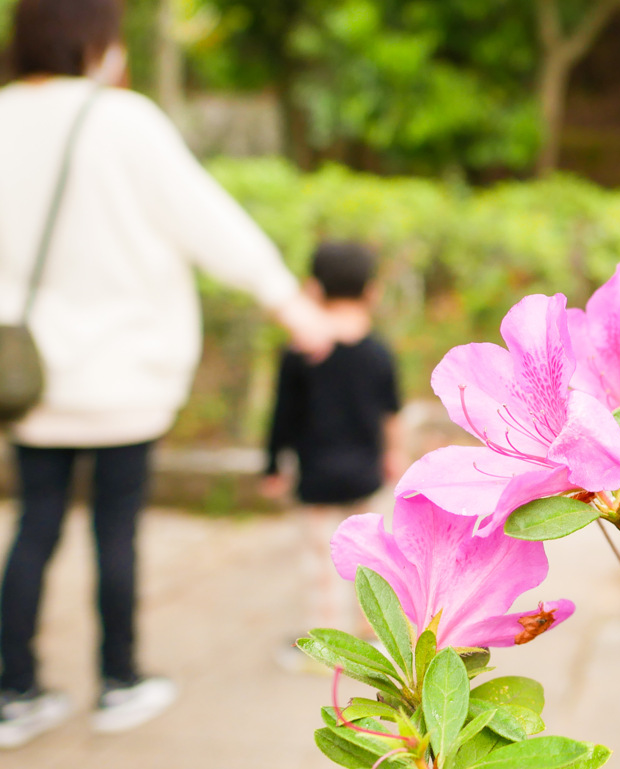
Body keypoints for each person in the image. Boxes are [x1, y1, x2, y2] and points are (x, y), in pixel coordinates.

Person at [0, 0, 334, 748]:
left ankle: (11, 687)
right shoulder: (122, 121)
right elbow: (208, 222)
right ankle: (119, 680)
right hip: (123, 377)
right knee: (115, 529)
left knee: (35, 526)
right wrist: (289, 305)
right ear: (99, 39)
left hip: (28, 378)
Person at [261, 241, 404, 666]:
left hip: (317, 478)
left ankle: (324, 648)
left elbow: (281, 416)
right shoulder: (378, 352)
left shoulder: (300, 353)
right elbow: (391, 413)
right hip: (366, 475)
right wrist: (395, 454)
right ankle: (374, 639)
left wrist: (272, 466)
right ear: (372, 291)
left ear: (313, 289)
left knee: (320, 566)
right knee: (369, 559)